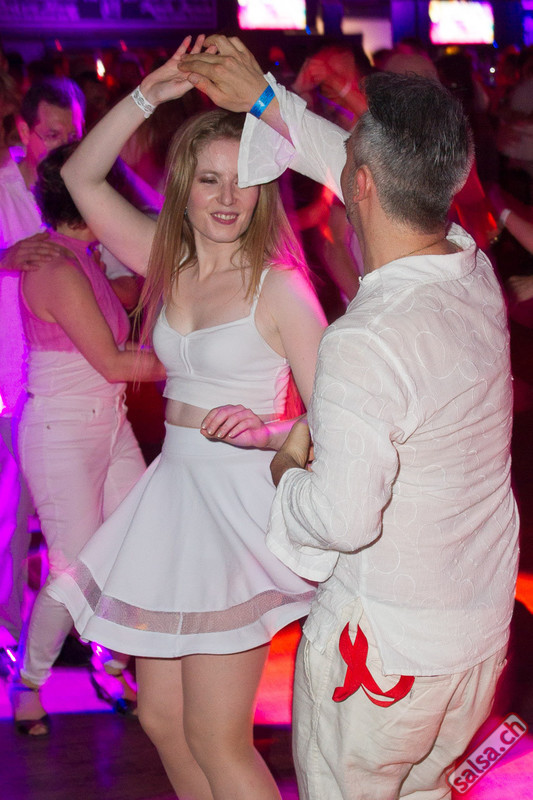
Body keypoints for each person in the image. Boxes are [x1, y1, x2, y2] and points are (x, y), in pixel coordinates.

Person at [181, 36, 520, 800]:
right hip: (471, 637)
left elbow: (338, 518)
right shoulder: (466, 262)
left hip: (383, 654)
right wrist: (265, 102)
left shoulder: (366, 339)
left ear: (359, 184)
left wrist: (285, 471)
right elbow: (364, 166)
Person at [50, 36, 326, 799]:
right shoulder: (167, 264)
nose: (227, 197)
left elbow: (340, 421)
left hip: (235, 506)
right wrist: (154, 91)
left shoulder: (279, 287)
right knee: (162, 722)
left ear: (264, 190)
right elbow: (78, 176)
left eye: (243, 181)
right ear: (185, 187)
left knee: (214, 735)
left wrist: (268, 432)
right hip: (175, 494)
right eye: (209, 180)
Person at [10, 141, 166, 737]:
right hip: (61, 431)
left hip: (108, 422)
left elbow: (120, 328)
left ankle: (114, 660)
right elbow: (114, 362)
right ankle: (28, 683)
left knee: (139, 543)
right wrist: (200, 364)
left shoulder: (84, 255)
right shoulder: (54, 265)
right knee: (74, 571)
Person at [0, 77, 85, 653]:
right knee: (9, 518)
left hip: (70, 380)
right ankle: (8, 637)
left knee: (71, 521)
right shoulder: (3, 187)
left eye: (72, 134)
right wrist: (6, 256)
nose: (64, 146)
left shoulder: (83, 185)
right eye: (52, 135)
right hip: (10, 378)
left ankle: (83, 638)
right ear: (23, 131)